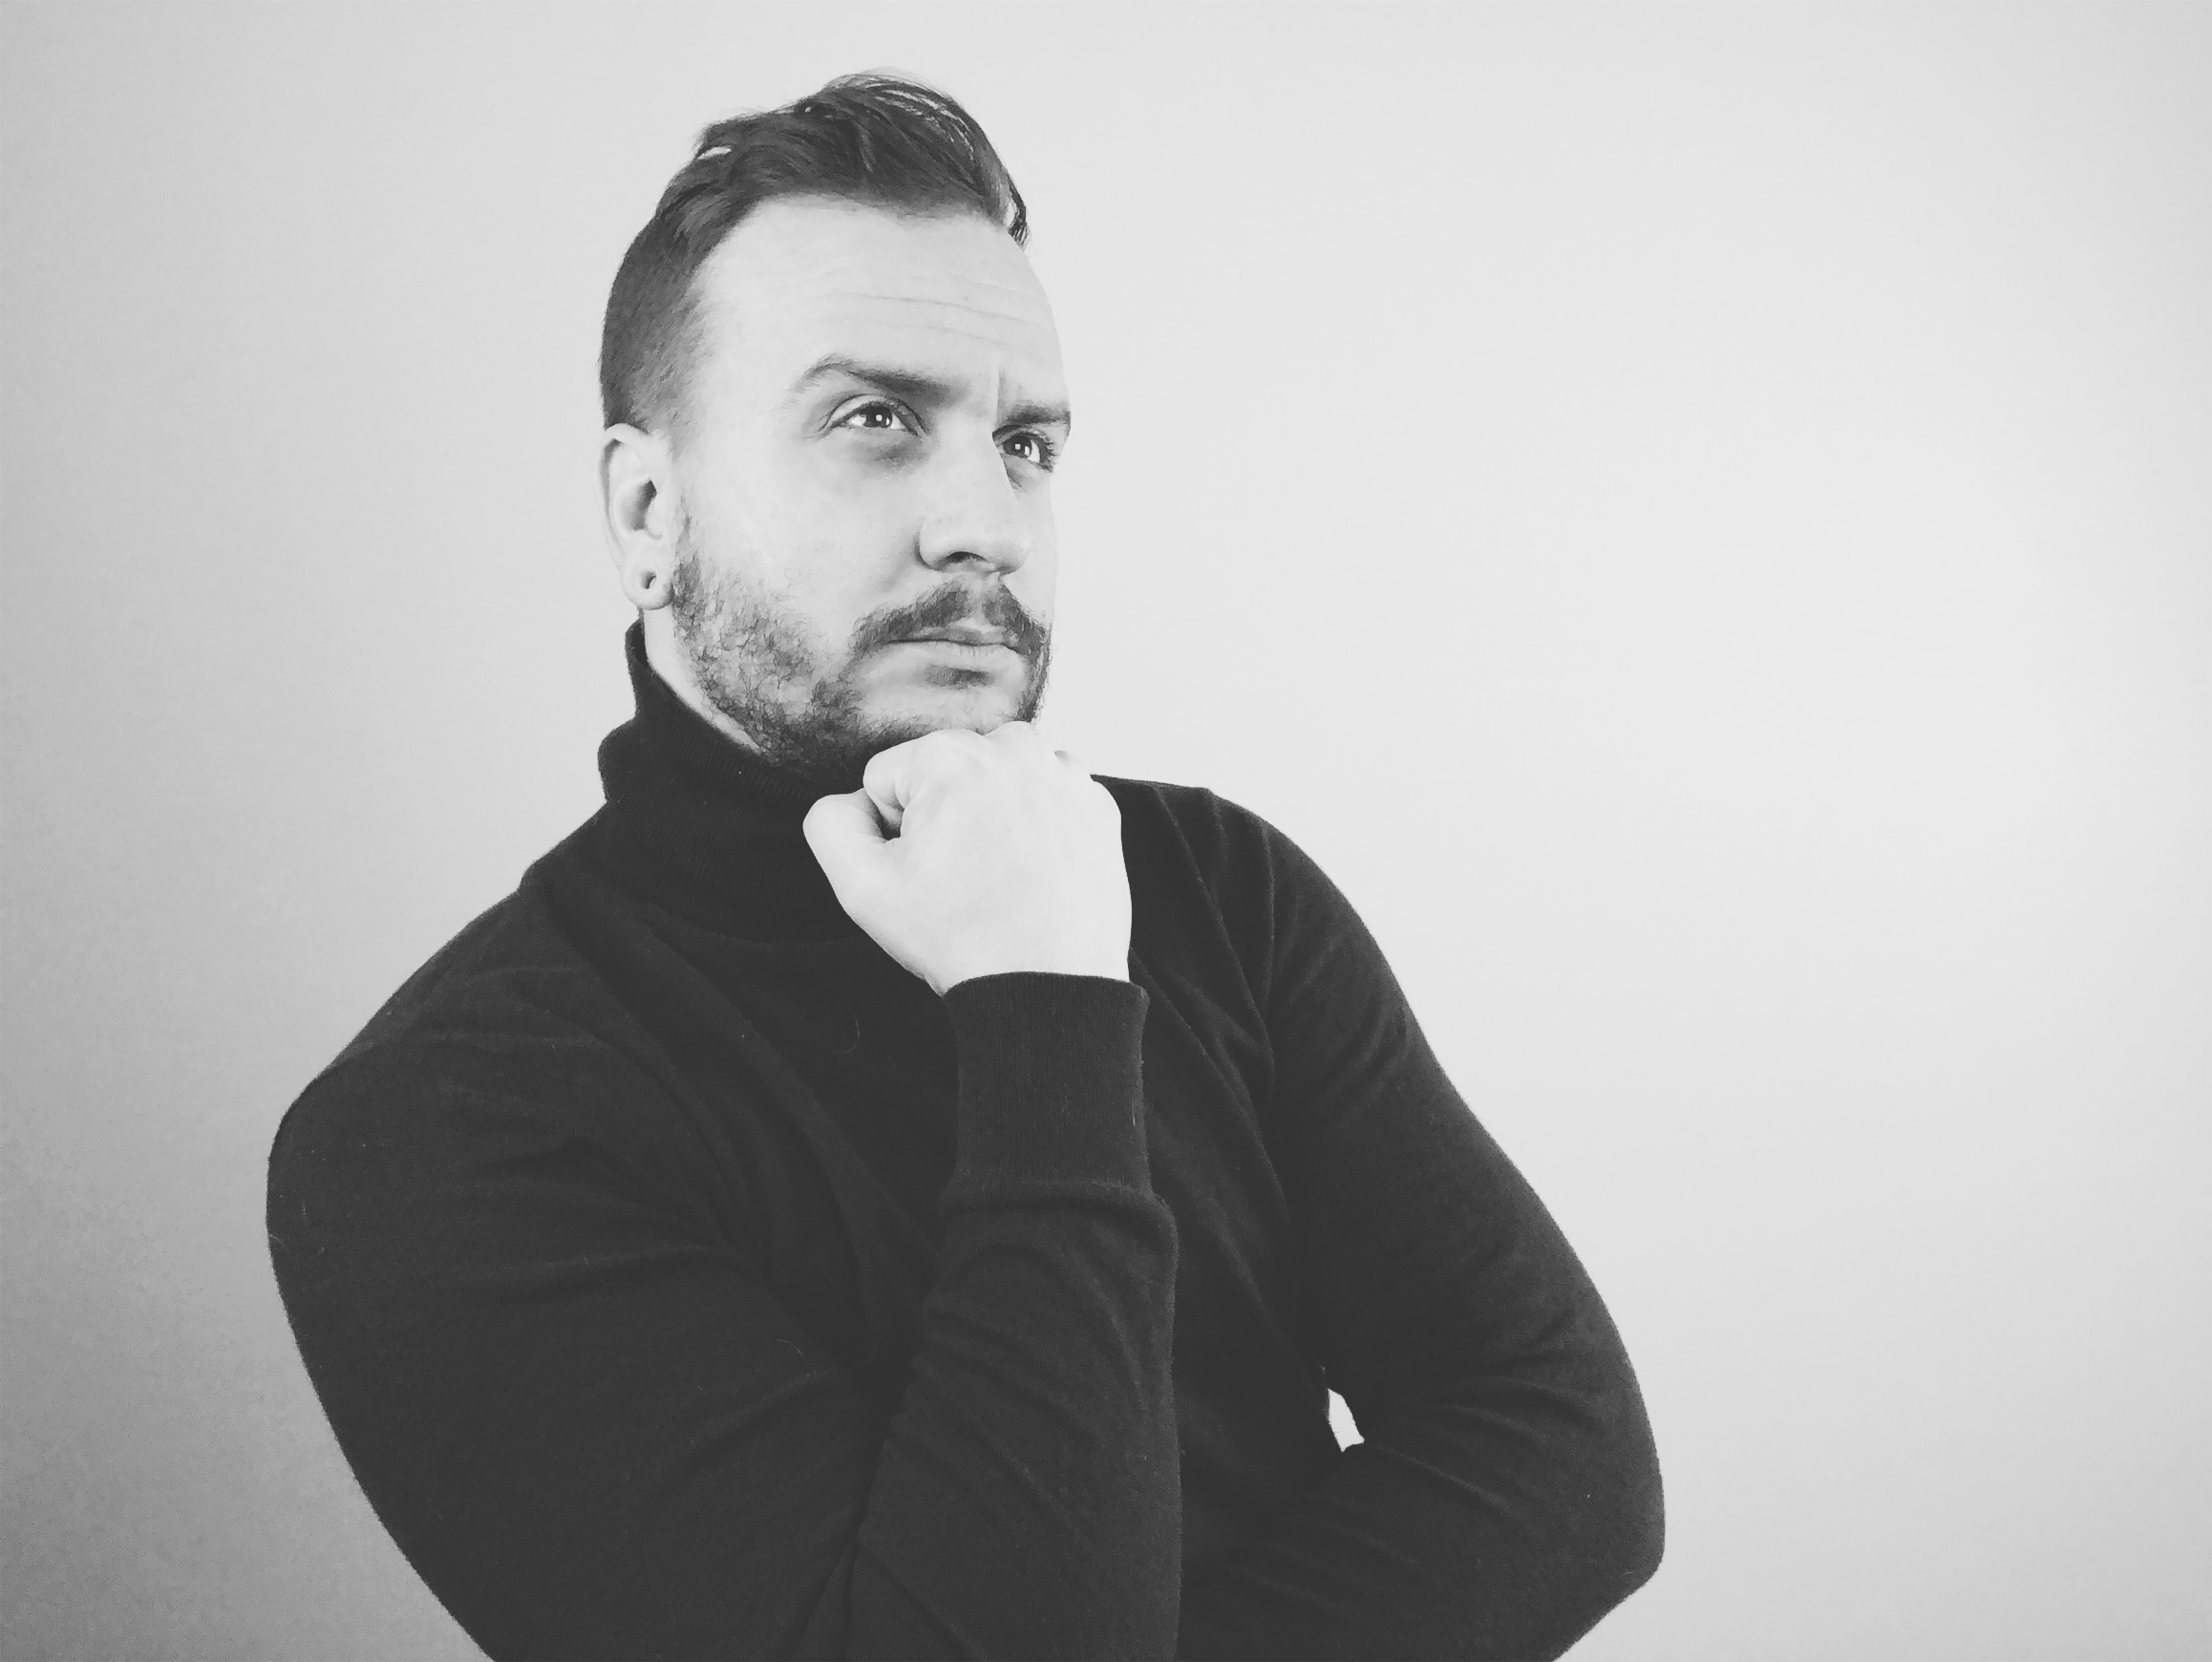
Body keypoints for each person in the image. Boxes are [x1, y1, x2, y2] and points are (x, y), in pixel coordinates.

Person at [266, 74, 1664, 1661]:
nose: (983, 523)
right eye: (874, 422)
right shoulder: (443, 1134)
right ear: (646, 511)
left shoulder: (1214, 889)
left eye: (1025, 443)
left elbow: (1570, 1462)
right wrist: (1043, 1011)